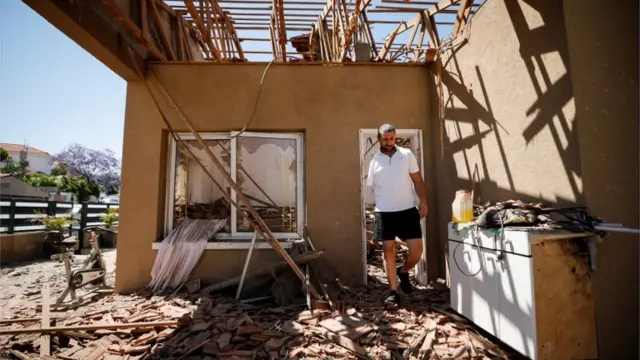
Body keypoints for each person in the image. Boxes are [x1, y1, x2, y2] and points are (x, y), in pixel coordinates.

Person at [366, 124, 428, 306]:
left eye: (391, 138)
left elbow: (417, 180)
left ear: (395, 138)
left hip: (407, 209)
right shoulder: (374, 160)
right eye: (385, 139)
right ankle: (393, 291)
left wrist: (423, 201)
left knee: (417, 251)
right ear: (379, 139)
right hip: (384, 212)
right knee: (388, 252)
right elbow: (372, 188)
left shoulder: (406, 155)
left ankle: (404, 270)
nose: (389, 142)